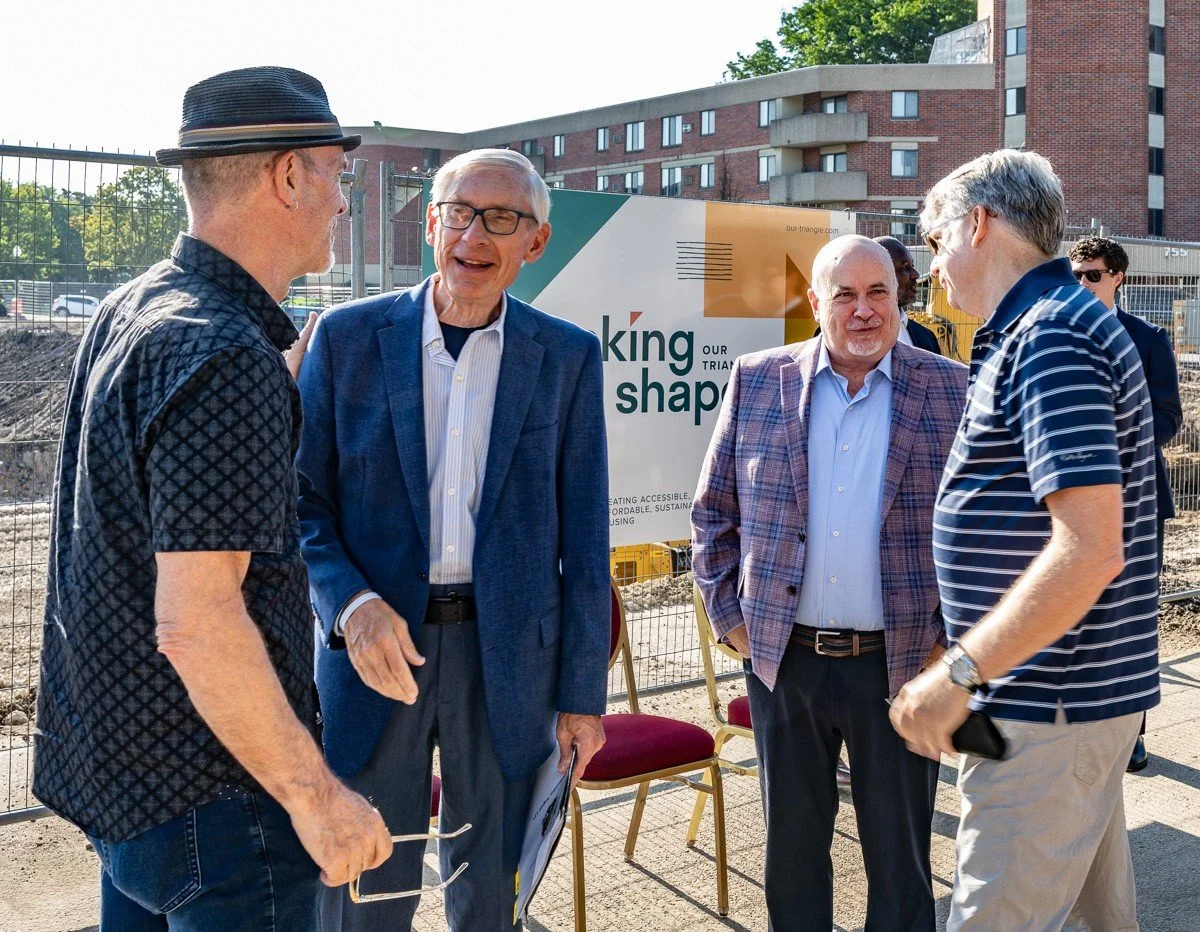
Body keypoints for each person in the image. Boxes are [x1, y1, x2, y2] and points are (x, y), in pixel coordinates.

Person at [32, 66, 391, 930]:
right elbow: (198, 618)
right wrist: (319, 799)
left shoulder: (135, 308)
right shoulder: (225, 353)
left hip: (123, 784)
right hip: (220, 804)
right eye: (338, 173)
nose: (344, 200)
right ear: (289, 176)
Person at [296, 148, 610, 931]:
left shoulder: (567, 356)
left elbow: (586, 532)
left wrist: (580, 697)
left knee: (488, 897)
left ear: (534, 243)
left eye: (502, 218)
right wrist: (352, 606)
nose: (476, 234)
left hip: (509, 666)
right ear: (432, 224)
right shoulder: (346, 338)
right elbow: (298, 503)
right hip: (377, 656)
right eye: (460, 213)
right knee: (366, 886)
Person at [890, 150, 1159, 930]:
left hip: (1047, 706)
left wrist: (960, 673)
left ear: (980, 224)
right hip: (1066, 698)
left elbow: (1089, 549)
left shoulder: (1050, 338)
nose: (933, 268)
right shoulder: (1045, 328)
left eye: (935, 242)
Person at [692, 234, 967, 931]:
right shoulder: (759, 379)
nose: (864, 310)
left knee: (902, 864)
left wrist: (946, 651)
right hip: (786, 664)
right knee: (791, 855)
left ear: (900, 297)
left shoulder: (949, 388)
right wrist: (732, 622)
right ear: (815, 302)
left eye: (878, 292)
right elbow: (713, 513)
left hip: (903, 667)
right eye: (844, 294)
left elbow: (977, 536)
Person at [1069, 234, 1183, 773]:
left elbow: (1168, 419)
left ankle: (1133, 732)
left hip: (1135, 502)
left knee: (1131, 618)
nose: (1083, 284)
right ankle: (1085, 722)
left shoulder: (1149, 339)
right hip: (1069, 505)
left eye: (1092, 275)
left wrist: (1102, 440)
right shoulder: (1059, 337)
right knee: (1077, 614)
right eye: (1076, 276)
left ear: (1118, 276)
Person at [873, 235, 943, 354]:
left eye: (912, 266)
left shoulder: (926, 338)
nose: (916, 274)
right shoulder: (856, 336)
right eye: (904, 267)